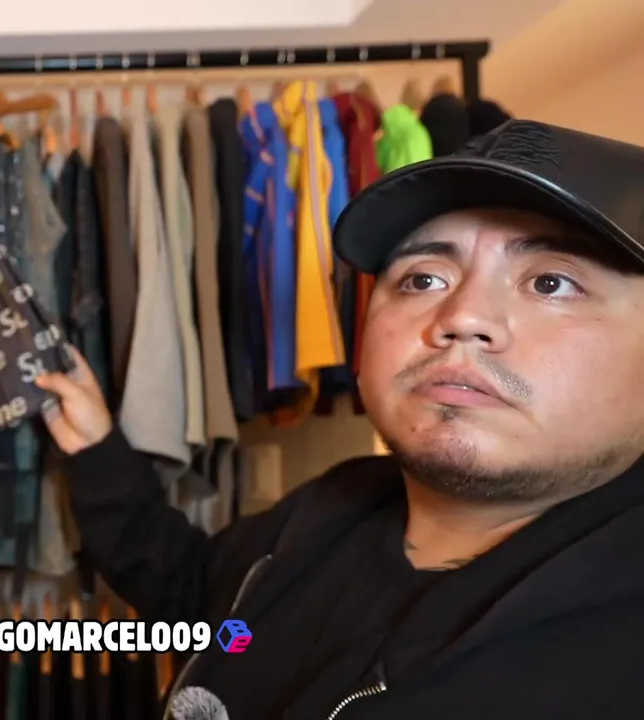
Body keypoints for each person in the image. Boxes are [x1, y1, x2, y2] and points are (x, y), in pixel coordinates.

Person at [37, 120, 644, 720]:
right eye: (423, 279)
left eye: (551, 283)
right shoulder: (333, 507)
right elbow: (196, 592)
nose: (462, 316)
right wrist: (96, 449)